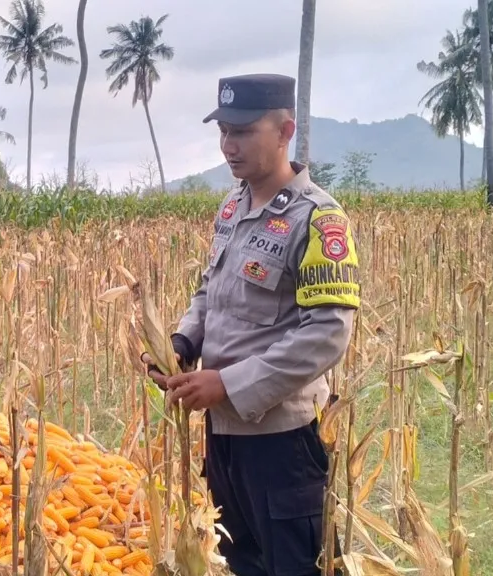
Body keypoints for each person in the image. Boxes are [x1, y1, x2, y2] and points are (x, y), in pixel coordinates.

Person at [143, 74, 359, 576]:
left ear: (284, 132)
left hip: (280, 443)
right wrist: (180, 341)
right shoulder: (232, 207)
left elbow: (328, 333)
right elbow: (210, 290)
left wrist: (228, 383)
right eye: (223, 131)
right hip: (225, 438)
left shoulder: (319, 220)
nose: (228, 145)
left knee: (296, 566)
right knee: (244, 563)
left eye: (242, 131)